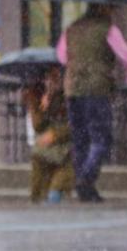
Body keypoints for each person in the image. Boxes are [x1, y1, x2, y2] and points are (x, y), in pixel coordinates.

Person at [57, 3, 127, 202]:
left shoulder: (71, 29)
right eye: (110, 8)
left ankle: (86, 189)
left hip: (73, 89)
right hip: (96, 89)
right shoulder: (108, 30)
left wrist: (80, 63)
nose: (112, 11)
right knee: (101, 139)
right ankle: (85, 178)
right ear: (103, 9)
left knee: (80, 140)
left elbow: (62, 57)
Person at [24, 67, 74, 204]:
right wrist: (41, 107)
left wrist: (55, 134)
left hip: (65, 145)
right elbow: (37, 126)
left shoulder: (70, 96)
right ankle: (38, 198)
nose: (52, 81)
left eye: (55, 77)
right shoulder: (36, 95)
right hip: (46, 146)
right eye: (49, 78)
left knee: (63, 166)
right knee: (38, 156)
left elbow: (77, 125)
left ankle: (54, 194)